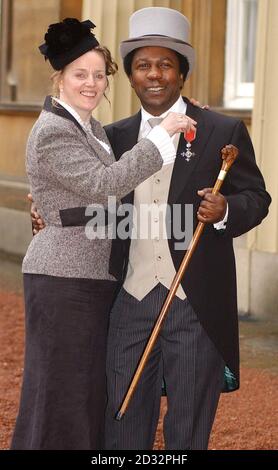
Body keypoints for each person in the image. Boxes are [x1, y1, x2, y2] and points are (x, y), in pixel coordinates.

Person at [11, 17, 195, 450]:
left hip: (88, 280)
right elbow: (104, 185)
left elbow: (96, 206)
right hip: (63, 279)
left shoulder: (89, 127)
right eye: (80, 74)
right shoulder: (54, 130)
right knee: (61, 394)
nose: (91, 84)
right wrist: (164, 134)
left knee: (82, 393)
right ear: (59, 78)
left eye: (98, 75)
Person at [102, 7, 271, 450]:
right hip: (128, 299)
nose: (153, 74)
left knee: (189, 426)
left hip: (194, 302)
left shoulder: (221, 129)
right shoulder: (112, 137)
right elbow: (88, 198)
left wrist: (226, 209)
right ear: (132, 76)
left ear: (181, 74)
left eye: (164, 64)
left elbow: (257, 198)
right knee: (122, 417)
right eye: (143, 65)